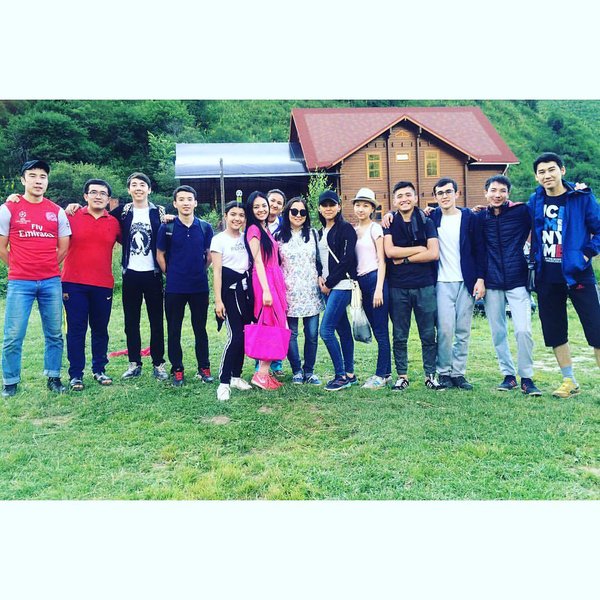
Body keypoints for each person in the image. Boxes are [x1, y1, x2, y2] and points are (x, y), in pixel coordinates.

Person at [529, 152, 600, 398]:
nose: (547, 175)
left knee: (596, 328)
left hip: (578, 274)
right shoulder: (535, 200)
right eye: (541, 172)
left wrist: (586, 255)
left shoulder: (581, 197)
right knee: (555, 330)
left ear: (562, 170)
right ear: (536, 177)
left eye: (551, 169)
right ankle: (569, 381)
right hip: (547, 276)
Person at [0, 160, 71, 397]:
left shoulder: (56, 211)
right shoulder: (8, 208)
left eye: (43, 176)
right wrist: (18, 266)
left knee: (54, 334)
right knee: (13, 335)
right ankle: (10, 382)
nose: (38, 181)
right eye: (32, 175)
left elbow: (64, 247)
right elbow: (1, 246)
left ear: (47, 181)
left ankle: (54, 377)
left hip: (51, 281)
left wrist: (46, 266)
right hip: (20, 282)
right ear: (23, 180)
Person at [475, 175, 542, 396]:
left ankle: (527, 378)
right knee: (498, 332)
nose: (497, 195)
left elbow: (542, 214)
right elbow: (478, 250)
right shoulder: (480, 217)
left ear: (508, 194)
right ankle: (508, 375)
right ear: (486, 193)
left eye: (502, 191)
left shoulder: (521, 212)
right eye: (493, 190)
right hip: (492, 282)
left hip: (518, 279)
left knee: (523, 330)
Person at [61, 179, 122, 391]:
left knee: (100, 329)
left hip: (103, 284)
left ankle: (99, 369)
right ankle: (76, 374)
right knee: (76, 330)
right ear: (85, 196)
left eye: (103, 193)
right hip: (73, 284)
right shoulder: (70, 216)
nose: (98, 196)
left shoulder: (114, 223)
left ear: (108, 199)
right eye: (93, 192)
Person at [383, 181, 444, 391]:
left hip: (424, 285)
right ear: (394, 201)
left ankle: (430, 375)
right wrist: (419, 248)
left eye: (408, 195)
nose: (404, 199)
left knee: (428, 334)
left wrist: (405, 259)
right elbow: (390, 252)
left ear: (416, 198)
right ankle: (402, 376)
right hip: (398, 286)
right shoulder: (390, 222)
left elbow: (433, 253)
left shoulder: (426, 221)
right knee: (400, 335)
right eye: (399, 196)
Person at [428, 178, 485, 390]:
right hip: (442, 282)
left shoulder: (469, 217)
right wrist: (389, 215)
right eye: (440, 193)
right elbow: (405, 214)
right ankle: (443, 372)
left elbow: (480, 249)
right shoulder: (432, 217)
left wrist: (480, 279)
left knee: (463, 330)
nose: (445, 196)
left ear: (457, 194)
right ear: (435, 197)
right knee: (444, 330)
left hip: (466, 282)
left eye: (448, 191)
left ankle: (458, 373)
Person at [156, 186, 214, 387]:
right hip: (175, 288)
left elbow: (209, 256)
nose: (186, 202)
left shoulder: (205, 227)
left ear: (195, 202)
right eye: (181, 199)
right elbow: (160, 255)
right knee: (174, 330)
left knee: (200, 329)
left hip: (199, 287)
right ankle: (177, 369)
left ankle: (204, 367)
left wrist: (199, 271)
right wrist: (171, 273)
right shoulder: (167, 227)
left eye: (189, 199)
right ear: (175, 203)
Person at [276, 197, 324, 385]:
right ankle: (296, 370)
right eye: (294, 211)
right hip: (288, 292)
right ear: (287, 212)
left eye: (302, 212)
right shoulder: (278, 236)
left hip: (311, 292)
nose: (298, 215)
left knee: (312, 334)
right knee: (291, 334)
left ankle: (309, 371)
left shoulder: (313, 234)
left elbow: (320, 260)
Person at [244, 191, 288, 391]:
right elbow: (258, 262)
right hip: (265, 280)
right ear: (251, 210)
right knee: (271, 324)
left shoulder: (264, 228)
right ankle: (261, 374)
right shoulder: (254, 229)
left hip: (273, 278)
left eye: (264, 205)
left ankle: (264, 372)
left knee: (275, 324)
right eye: (256, 207)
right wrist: (266, 290)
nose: (261, 209)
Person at [211, 201, 254, 401]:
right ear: (226, 216)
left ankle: (236, 376)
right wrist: (218, 300)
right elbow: (217, 272)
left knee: (244, 336)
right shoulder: (219, 240)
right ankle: (224, 382)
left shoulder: (247, 238)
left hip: (246, 293)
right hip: (229, 293)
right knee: (235, 336)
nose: (237, 218)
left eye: (241, 215)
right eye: (233, 214)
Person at [317, 190, 358, 391]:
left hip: (342, 285)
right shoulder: (319, 232)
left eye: (332, 204)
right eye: (324, 205)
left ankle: (340, 376)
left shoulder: (346, 228)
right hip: (327, 286)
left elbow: (347, 259)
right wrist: (320, 277)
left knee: (325, 331)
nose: (328, 208)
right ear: (319, 208)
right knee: (342, 330)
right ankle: (350, 374)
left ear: (339, 206)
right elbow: (318, 259)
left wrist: (329, 283)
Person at [352, 187, 392, 389]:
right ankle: (387, 372)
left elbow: (381, 260)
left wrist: (378, 289)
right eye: (358, 205)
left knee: (381, 330)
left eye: (365, 206)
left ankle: (380, 375)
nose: (361, 209)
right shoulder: (353, 230)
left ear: (372, 209)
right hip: (361, 283)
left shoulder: (375, 229)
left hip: (376, 279)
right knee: (377, 330)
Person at [264, 188, 287, 377]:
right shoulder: (255, 222)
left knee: (279, 320)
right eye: (272, 200)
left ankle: (277, 363)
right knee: (263, 320)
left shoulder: (285, 225)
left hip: (279, 277)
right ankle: (261, 361)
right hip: (260, 277)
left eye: (279, 203)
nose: (275, 205)